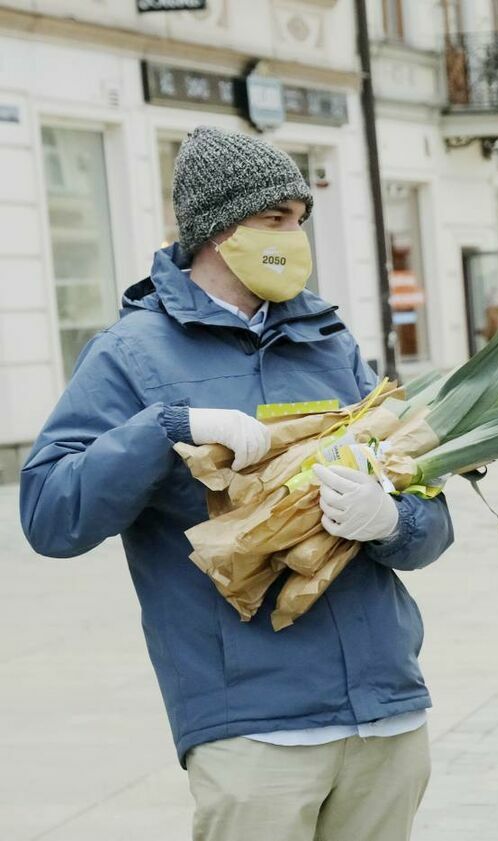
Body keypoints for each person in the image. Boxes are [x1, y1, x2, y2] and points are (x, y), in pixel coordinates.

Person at [20, 126, 454, 841]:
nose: (294, 237)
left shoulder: (330, 344)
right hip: (254, 730)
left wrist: (392, 520)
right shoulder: (130, 354)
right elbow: (49, 513)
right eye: (274, 220)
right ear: (219, 230)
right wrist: (164, 429)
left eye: (300, 221)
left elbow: (432, 521)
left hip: (385, 712)